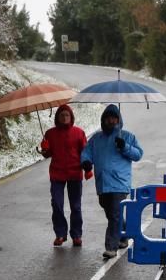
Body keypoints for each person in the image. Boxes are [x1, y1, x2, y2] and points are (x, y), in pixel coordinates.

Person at [80, 104, 144, 259]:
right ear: (103, 120)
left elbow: (138, 154)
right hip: (102, 183)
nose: (111, 121)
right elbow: (86, 152)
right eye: (107, 118)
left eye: (113, 118)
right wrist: (86, 161)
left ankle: (111, 247)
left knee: (115, 214)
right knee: (111, 213)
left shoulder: (127, 136)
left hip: (119, 183)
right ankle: (123, 235)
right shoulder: (96, 138)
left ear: (118, 119)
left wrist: (125, 147)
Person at [39, 104, 88, 247]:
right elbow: (47, 154)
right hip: (57, 174)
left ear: (71, 117)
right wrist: (45, 149)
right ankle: (60, 234)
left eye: (67, 115)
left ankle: (76, 235)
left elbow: (85, 152)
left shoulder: (79, 133)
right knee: (57, 204)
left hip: (75, 173)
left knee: (76, 207)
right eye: (62, 115)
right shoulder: (50, 134)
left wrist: (87, 168)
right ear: (57, 117)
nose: (64, 117)